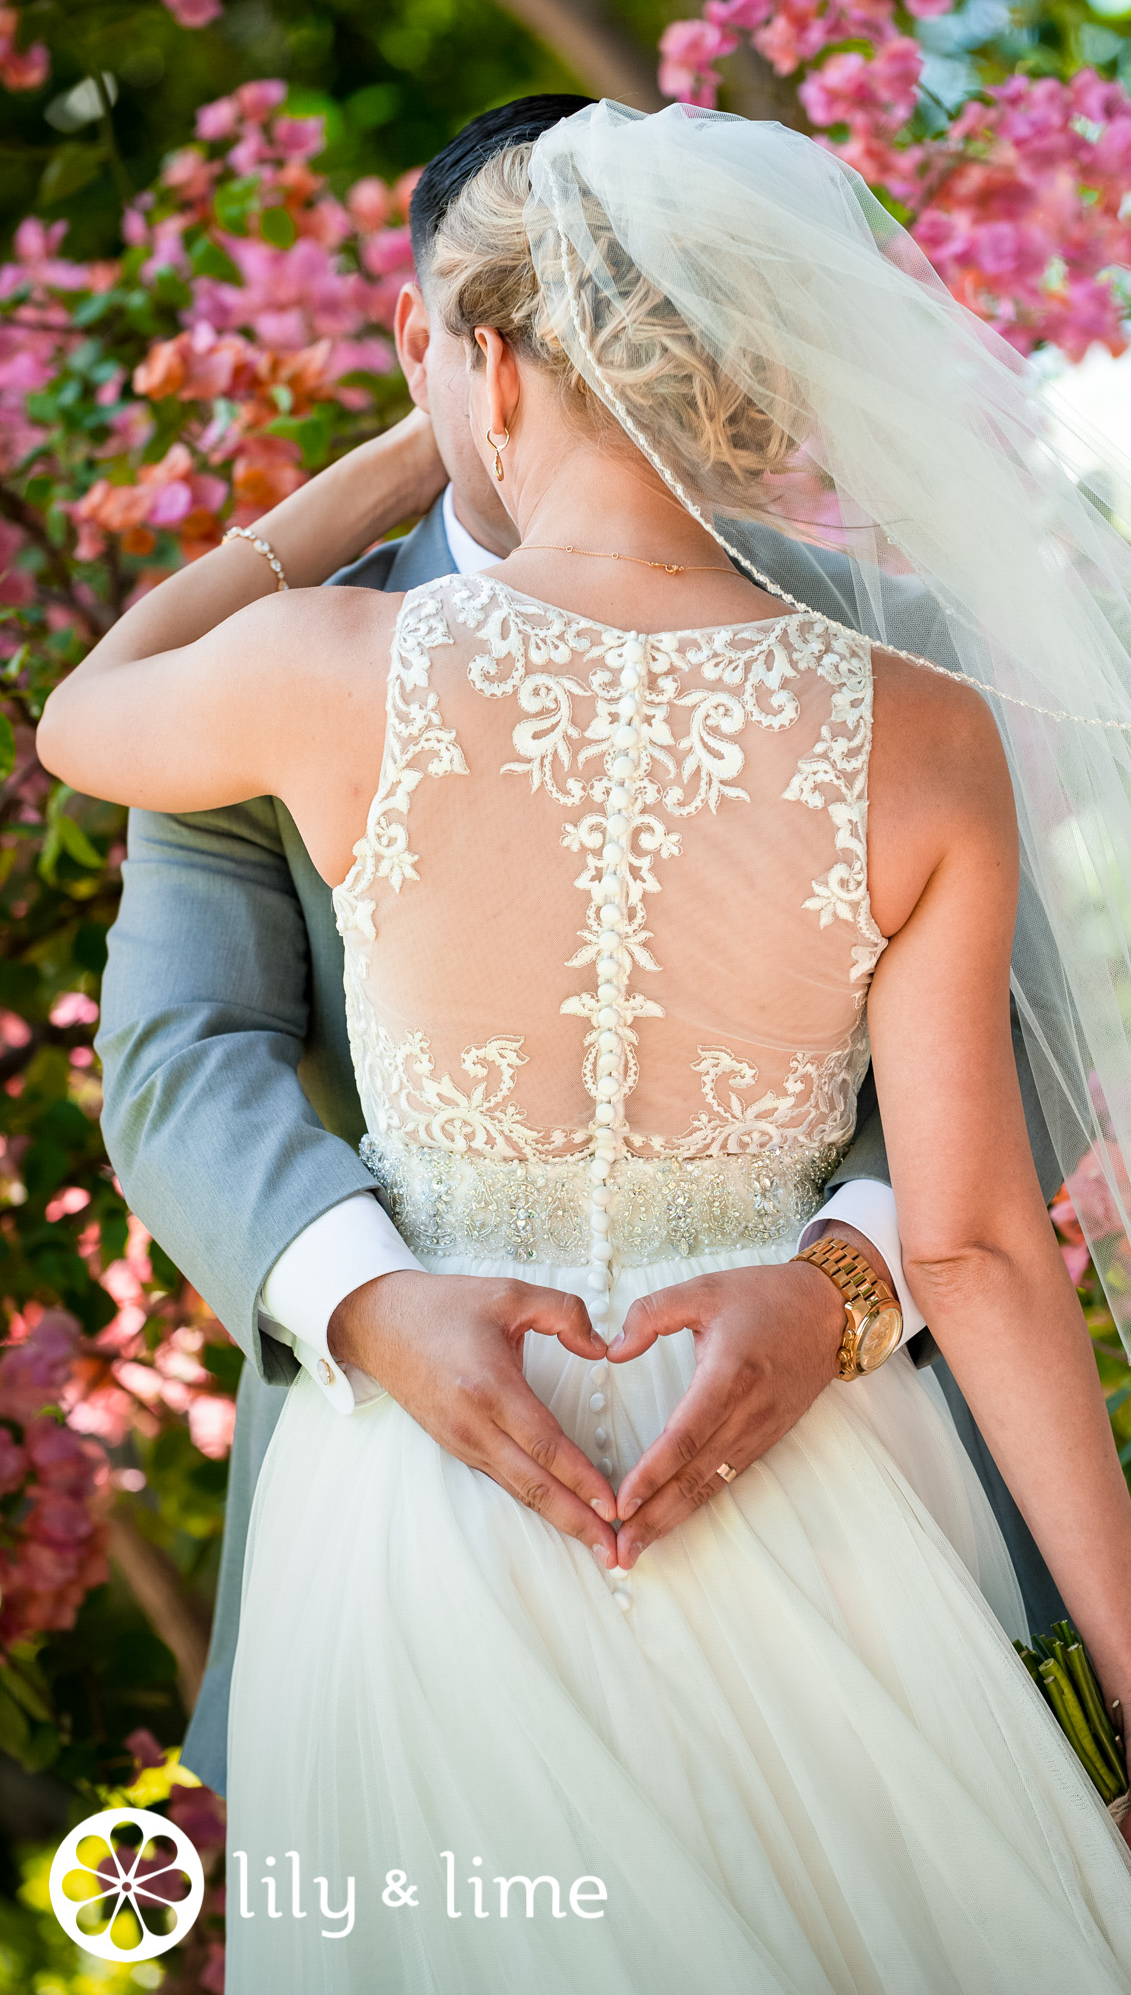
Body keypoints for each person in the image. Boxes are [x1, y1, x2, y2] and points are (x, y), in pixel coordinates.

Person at [45, 97, 1131, 1990]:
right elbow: (976, 1248)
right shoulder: (921, 725)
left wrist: (343, 497)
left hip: (426, 1528)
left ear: (476, 353)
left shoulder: (310, 671)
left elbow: (89, 710)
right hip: (823, 1521)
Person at [94, 92, 1067, 1800]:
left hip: (840, 1490)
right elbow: (184, 1058)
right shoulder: (302, 648)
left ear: (481, 342)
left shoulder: (898, 652)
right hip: (401, 1489)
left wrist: (838, 1288)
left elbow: (1023, 1056)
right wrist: (368, 1303)